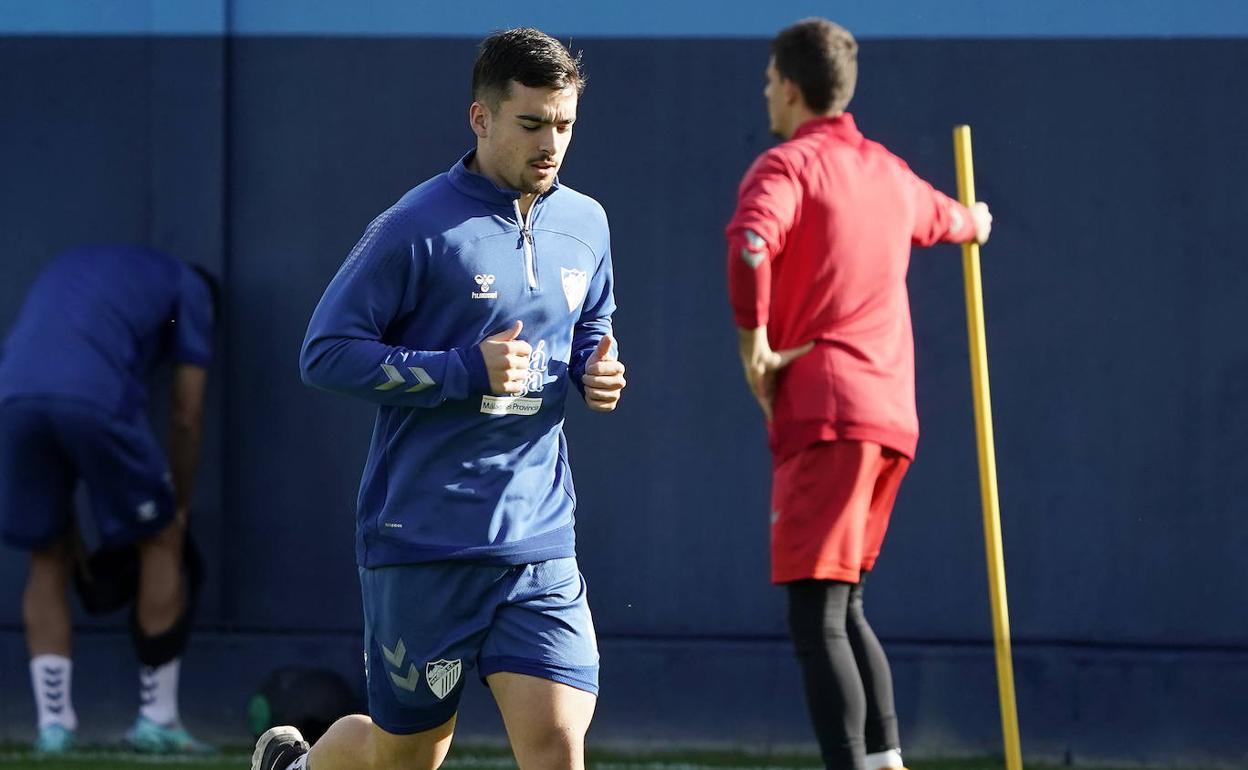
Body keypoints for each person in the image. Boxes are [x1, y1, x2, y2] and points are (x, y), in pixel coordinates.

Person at [253, 27, 626, 770]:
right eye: (531, 124)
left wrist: (596, 367)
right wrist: (462, 370)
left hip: (537, 541)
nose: (551, 143)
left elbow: (593, 322)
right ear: (481, 119)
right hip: (423, 541)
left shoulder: (587, 223)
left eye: (564, 124)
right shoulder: (414, 228)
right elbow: (324, 354)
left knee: (557, 747)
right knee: (408, 758)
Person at [724, 18, 993, 770]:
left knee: (816, 614)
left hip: (829, 412)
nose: (766, 92)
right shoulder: (887, 172)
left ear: (789, 86)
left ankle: (855, 763)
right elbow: (953, 218)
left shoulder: (788, 168)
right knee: (846, 606)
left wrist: (755, 350)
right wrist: (978, 223)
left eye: (770, 79)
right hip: (890, 420)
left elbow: (749, 245)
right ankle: (883, 761)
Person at [0, 245, 219, 755]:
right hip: (93, 397)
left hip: (12, 398)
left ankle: (53, 729)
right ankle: (158, 720)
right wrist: (178, 504)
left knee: (46, 552)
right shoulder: (192, 289)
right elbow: (187, 412)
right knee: (161, 536)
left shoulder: (78, 267)